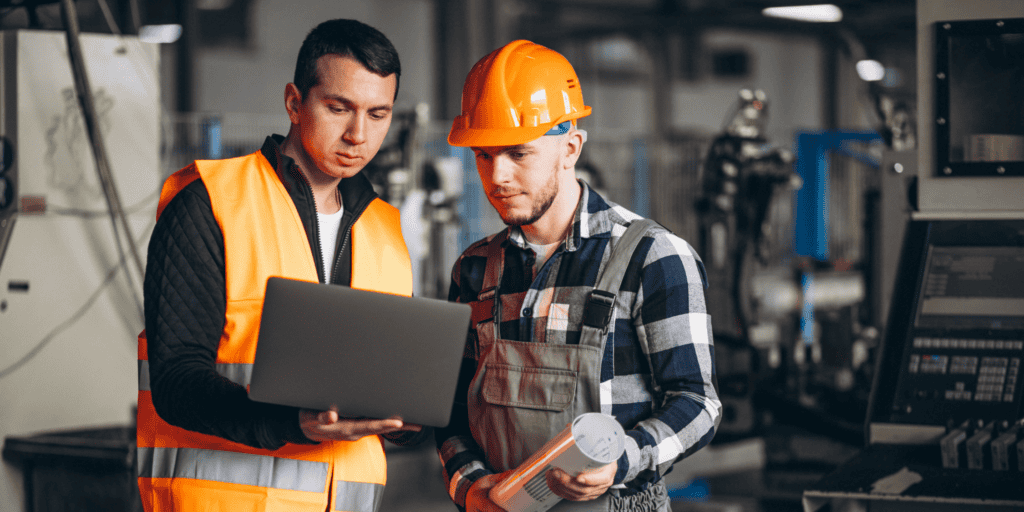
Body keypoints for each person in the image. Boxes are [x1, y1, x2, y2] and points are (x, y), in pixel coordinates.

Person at [137, 19, 425, 512]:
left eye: (378, 114)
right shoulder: (211, 203)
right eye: (339, 108)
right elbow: (177, 380)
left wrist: (411, 416)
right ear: (294, 102)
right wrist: (292, 422)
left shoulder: (385, 230)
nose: (359, 134)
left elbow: (382, 380)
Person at [436, 40, 721, 512]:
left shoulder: (651, 257)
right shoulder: (474, 269)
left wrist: (623, 459)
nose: (497, 177)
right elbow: (451, 411)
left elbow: (697, 403)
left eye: (517, 154)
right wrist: (469, 486)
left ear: (570, 148)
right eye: (483, 156)